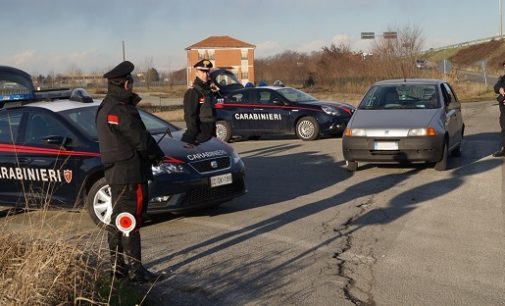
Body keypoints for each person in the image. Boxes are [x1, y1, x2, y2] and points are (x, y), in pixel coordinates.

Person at [95, 61, 165, 282]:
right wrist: (157, 154)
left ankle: (118, 266)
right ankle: (136, 270)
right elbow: (139, 138)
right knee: (129, 220)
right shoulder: (120, 109)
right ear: (125, 84)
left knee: (118, 219)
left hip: (117, 173)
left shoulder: (107, 105)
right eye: (131, 82)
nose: (133, 85)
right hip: (130, 173)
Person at [181, 59, 217, 145]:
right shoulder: (193, 92)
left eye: (207, 72)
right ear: (196, 72)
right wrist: (193, 136)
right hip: (200, 133)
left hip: (211, 130)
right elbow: (190, 116)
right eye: (203, 72)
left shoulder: (209, 90)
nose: (206, 74)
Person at [493, 60, 505, 157]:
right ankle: (503, 149)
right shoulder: (503, 78)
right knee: (504, 128)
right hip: (503, 109)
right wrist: (499, 89)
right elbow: (495, 87)